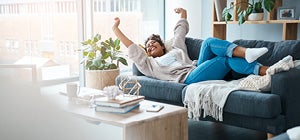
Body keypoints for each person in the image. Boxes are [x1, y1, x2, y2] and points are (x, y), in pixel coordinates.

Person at [112, 7, 271, 85]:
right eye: (147, 47)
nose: (150, 46)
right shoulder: (149, 65)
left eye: (153, 42)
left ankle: (255, 61)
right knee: (224, 59)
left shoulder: (176, 48)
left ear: (162, 45)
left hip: (196, 69)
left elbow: (180, 30)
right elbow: (132, 48)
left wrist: (183, 13)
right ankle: (258, 64)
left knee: (208, 42)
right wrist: (115, 29)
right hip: (187, 79)